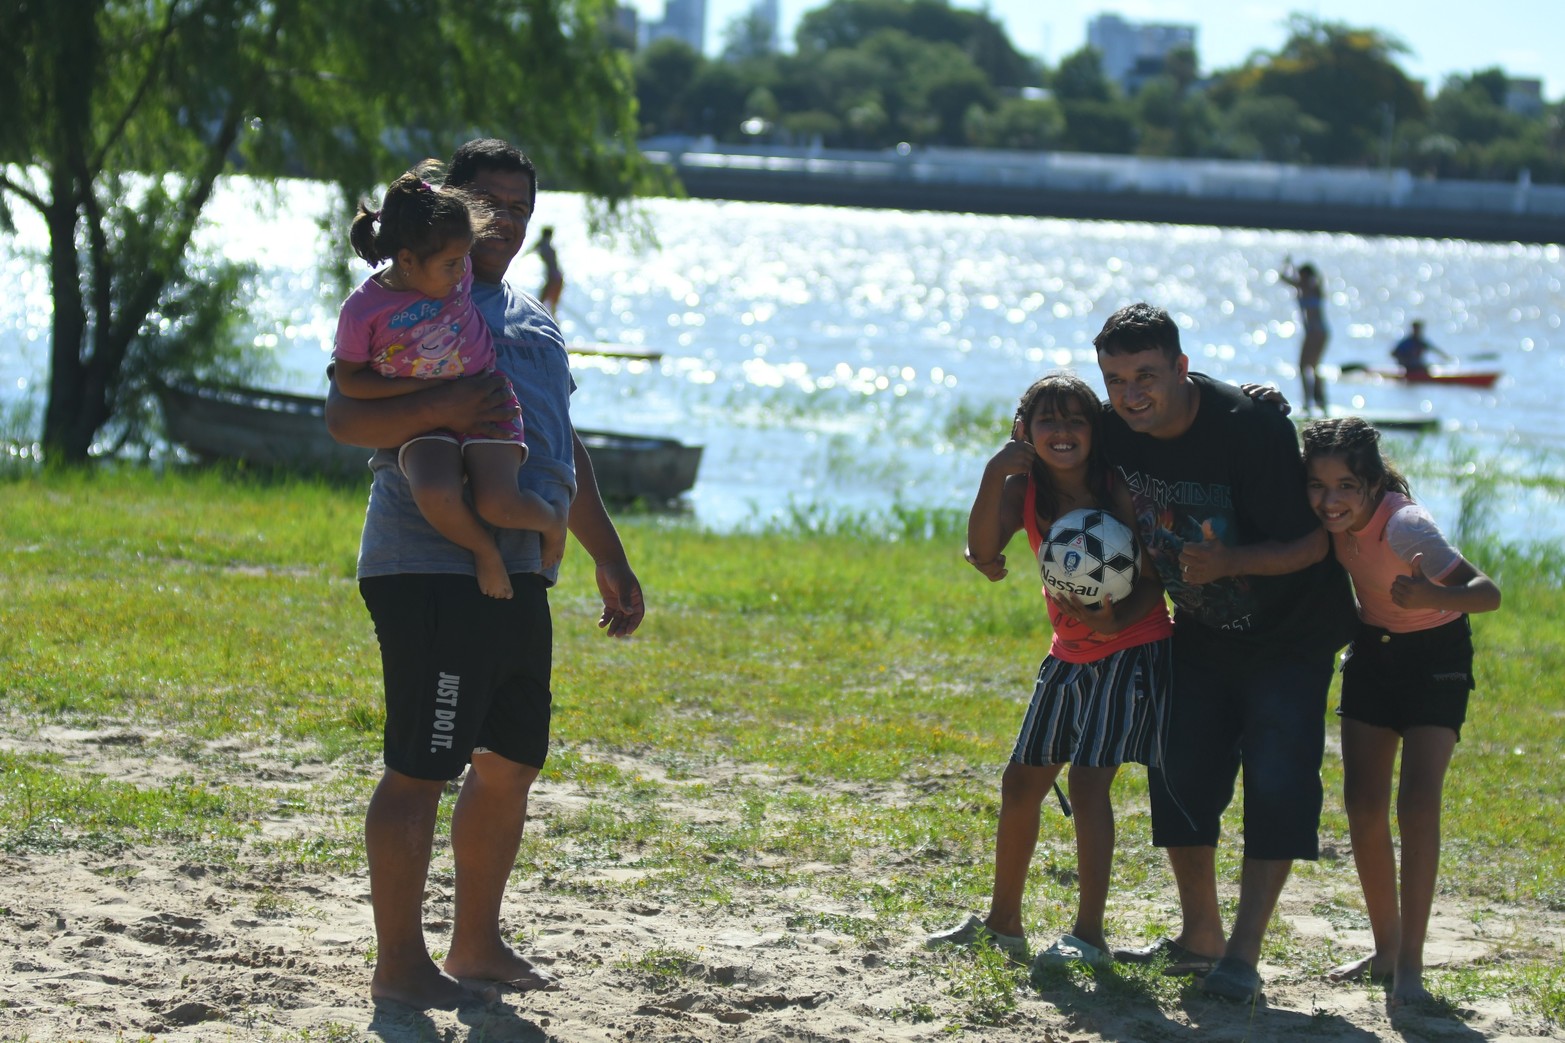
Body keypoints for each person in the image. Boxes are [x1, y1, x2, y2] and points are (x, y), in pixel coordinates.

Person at [324, 137, 646, 1011]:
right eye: (489, 200)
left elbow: (557, 442)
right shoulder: (414, 295)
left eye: (520, 204)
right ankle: (399, 962)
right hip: (427, 558)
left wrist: (606, 553)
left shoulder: (533, 322)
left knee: (509, 758)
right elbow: (344, 413)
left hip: (523, 566)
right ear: (449, 204)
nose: (506, 216)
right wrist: (444, 407)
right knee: (422, 762)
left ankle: (477, 943)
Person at [1091, 302, 1355, 1002]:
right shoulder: (1113, 428)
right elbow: (1048, 431)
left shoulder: (1250, 428)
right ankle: (1199, 934)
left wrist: (1231, 560)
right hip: (1199, 631)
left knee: (1277, 780)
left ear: (1181, 367)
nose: (1130, 393)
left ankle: (1242, 952)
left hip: (1291, 635)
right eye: (1114, 379)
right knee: (1178, 774)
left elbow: (1313, 544)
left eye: (1145, 374)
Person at [928, 374, 1173, 970]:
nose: (1062, 433)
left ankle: (1089, 936)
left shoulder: (1117, 489)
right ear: (1024, 431)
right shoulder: (1024, 489)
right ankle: (1003, 924)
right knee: (1021, 783)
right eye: (1047, 421)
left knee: (1090, 785)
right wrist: (995, 474)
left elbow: (1161, 577)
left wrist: (1118, 624)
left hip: (1132, 646)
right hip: (1068, 651)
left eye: (1076, 421)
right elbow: (984, 553)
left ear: (1096, 430)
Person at [1302, 417, 1500, 1007]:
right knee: (1362, 805)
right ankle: (1385, 949)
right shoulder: (1321, 516)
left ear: (1370, 482)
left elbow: (1487, 593)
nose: (1330, 500)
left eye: (1345, 487)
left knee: (1417, 804)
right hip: (1372, 652)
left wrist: (1436, 595)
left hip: (1435, 657)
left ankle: (1411, 963)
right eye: (1318, 485)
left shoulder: (1408, 525)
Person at [334, 169, 567, 598]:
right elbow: (350, 385)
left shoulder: (454, 273)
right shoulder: (362, 310)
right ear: (407, 260)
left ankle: (551, 520)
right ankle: (484, 552)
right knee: (434, 490)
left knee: (497, 503)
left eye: (463, 259)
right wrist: (431, 398)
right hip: (426, 423)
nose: (464, 271)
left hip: (484, 399)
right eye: (452, 263)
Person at [1280, 258, 1330, 414]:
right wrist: (1288, 265)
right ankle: (1315, 402)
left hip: (1317, 332)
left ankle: (1314, 402)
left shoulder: (1312, 287)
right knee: (1308, 368)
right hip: (1314, 332)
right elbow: (1284, 278)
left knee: (1308, 367)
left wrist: (1290, 267)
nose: (1299, 278)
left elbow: (1291, 280)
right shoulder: (1306, 286)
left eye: (1302, 275)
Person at [531, 225, 564, 316]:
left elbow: (531, 250)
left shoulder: (542, 245)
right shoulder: (549, 247)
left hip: (552, 277)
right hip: (557, 276)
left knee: (541, 303)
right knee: (552, 306)